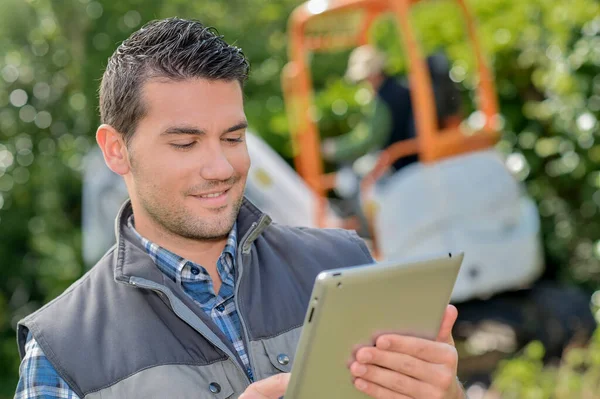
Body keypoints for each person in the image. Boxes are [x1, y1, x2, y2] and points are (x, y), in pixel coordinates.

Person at [14, 18, 467, 399]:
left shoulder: (350, 265)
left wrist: (446, 394)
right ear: (116, 150)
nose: (221, 167)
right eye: (186, 143)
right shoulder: (61, 353)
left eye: (233, 138)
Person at [322, 45, 461, 172]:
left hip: (404, 168)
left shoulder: (384, 101)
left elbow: (368, 139)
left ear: (373, 74)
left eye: (364, 78)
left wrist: (334, 150)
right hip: (414, 161)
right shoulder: (401, 87)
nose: (364, 83)